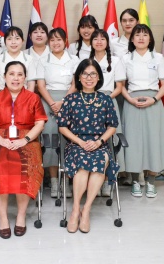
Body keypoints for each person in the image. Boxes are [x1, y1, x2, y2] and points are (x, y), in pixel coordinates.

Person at [0, 61, 47, 239]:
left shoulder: (33, 98)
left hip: (27, 141)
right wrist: (1, 140)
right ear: (4, 77)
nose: (15, 78)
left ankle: (21, 216)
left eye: (19, 74)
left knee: (24, 167)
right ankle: (3, 218)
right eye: (12, 74)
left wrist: (24, 140)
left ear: (25, 78)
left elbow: (40, 123)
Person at [58, 59, 119, 234]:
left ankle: (86, 210)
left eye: (93, 74)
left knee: (100, 160)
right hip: (76, 144)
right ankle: (75, 209)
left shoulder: (106, 99)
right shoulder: (70, 99)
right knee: (83, 166)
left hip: (99, 144)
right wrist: (79, 142)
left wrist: (99, 142)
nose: (89, 77)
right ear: (79, 77)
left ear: (99, 77)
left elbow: (112, 126)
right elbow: (62, 126)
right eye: (85, 74)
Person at [121, 24, 164, 198]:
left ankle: (151, 182)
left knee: (153, 141)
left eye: (145, 35)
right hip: (132, 102)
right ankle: (136, 181)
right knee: (133, 142)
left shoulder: (158, 58)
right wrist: (130, 99)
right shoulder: (126, 58)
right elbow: (120, 86)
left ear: (150, 39)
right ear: (132, 39)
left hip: (153, 102)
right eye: (137, 35)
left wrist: (154, 99)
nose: (141, 38)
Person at [36, 28, 80, 198]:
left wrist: (63, 102)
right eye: (52, 40)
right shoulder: (43, 61)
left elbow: (76, 83)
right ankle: (54, 182)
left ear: (65, 41)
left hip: (70, 100)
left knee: (68, 140)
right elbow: (41, 85)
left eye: (59, 40)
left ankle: (67, 181)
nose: (56, 43)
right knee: (50, 141)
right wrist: (52, 104)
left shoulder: (74, 60)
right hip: (48, 101)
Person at [88, 29, 126, 197]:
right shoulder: (87, 61)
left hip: (109, 101)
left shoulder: (116, 61)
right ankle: (93, 180)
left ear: (107, 42)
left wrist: (104, 99)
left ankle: (107, 180)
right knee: (92, 141)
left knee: (109, 142)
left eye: (102, 39)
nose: (98, 41)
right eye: (95, 39)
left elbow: (119, 87)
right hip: (88, 102)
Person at [110, 8, 141, 186]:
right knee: (119, 131)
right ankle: (121, 170)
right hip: (118, 92)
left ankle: (135, 172)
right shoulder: (114, 44)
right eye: (124, 20)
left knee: (133, 132)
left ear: (137, 22)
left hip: (136, 91)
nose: (128, 23)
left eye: (131, 20)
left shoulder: (141, 41)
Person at [0, 26, 36, 94]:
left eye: (17, 38)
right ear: (5, 42)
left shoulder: (29, 59)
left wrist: (26, 101)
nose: (13, 42)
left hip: (24, 97)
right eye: (9, 39)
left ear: (22, 41)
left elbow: (31, 84)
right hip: (2, 96)